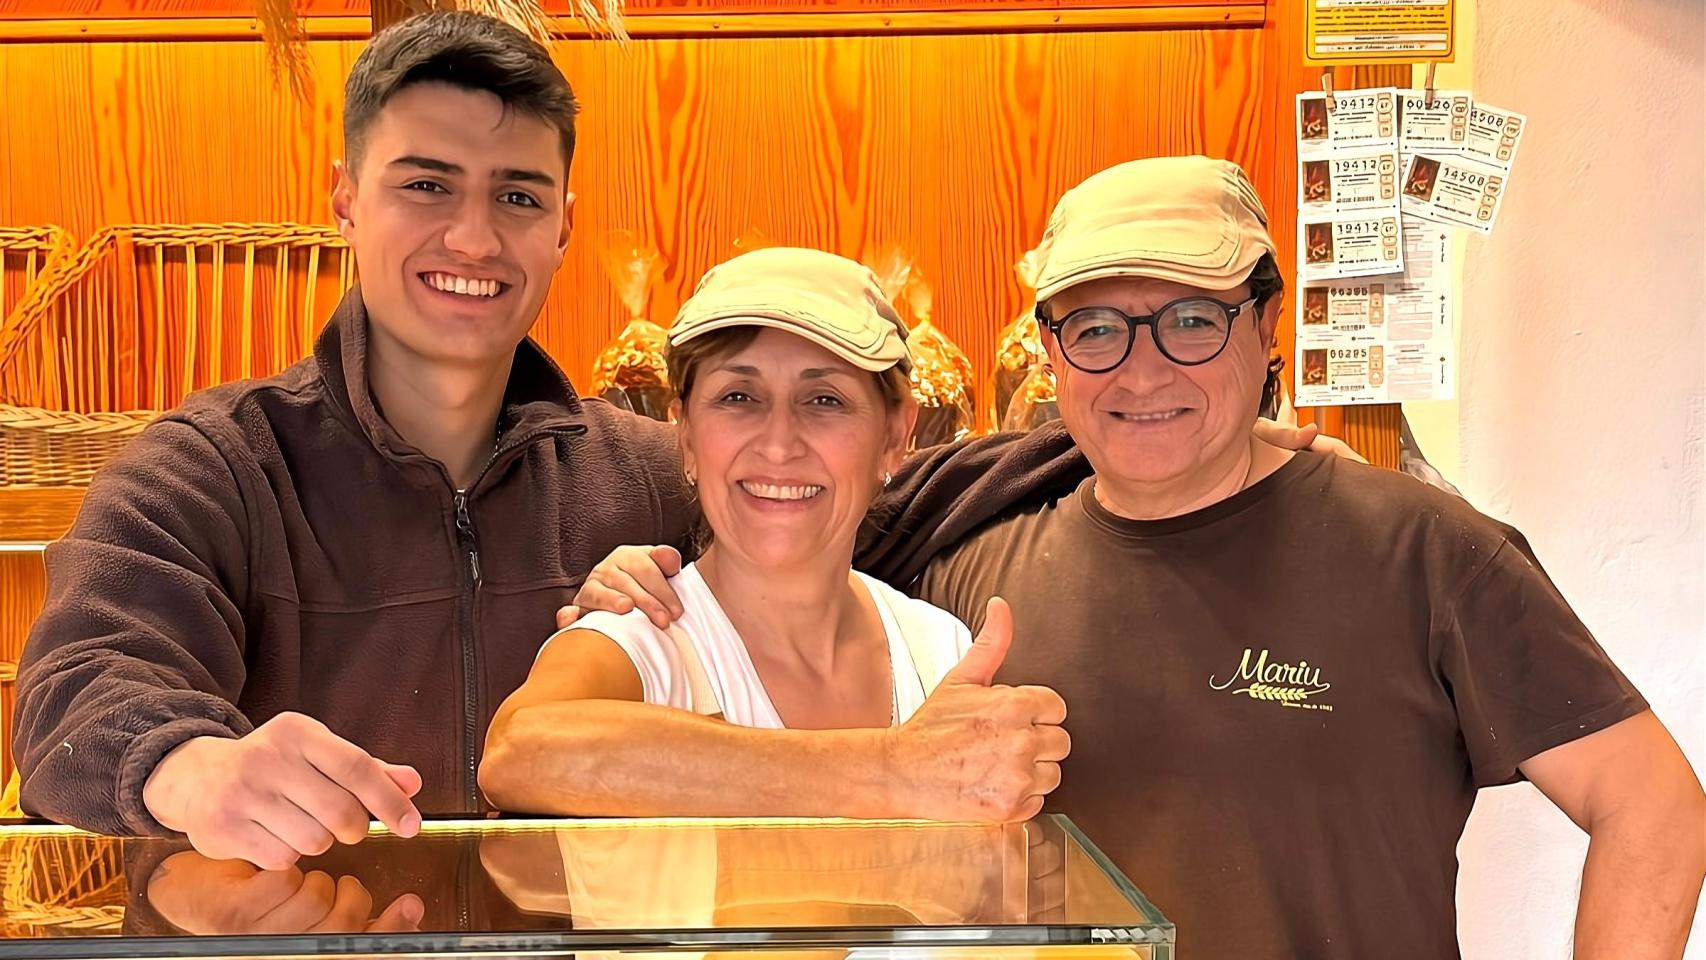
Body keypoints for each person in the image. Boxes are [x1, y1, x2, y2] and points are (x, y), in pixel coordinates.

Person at [10, 10, 1341, 869]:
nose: (471, 235)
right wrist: (190, 767)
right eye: (425, 185)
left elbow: (877, 492)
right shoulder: (214, 470)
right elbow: (74, 695)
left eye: (515, 194)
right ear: (345, 198)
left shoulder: (633, 473)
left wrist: (1178, 435)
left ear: (562, 223)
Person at [568, 157, 1706, 959]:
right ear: (1051, 352)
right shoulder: (967, 569)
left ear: (1266, 325)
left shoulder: (1422, 553)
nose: (1142, 371)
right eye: (1098, 329)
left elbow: (1653, 806)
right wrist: (648, 575)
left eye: (1192, 320)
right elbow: (788, 545)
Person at [480, 247, 1067, 822]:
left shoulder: (937, 647)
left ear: (894, 437)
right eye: (738, 397)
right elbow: (520, 751)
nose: (780, 445)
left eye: (825, 400)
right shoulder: (644, 635)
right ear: (686, 437)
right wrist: (893, 768)